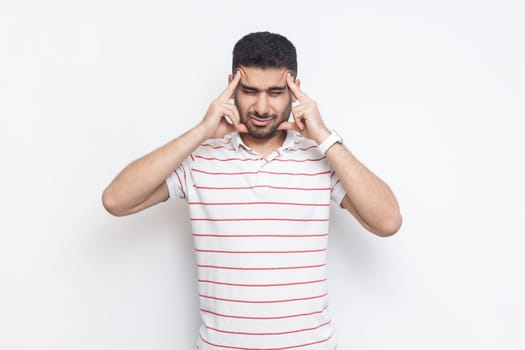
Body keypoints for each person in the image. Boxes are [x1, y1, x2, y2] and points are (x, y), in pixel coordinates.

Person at [102, 31, 402, 350]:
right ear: (231, 86)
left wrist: (324, 137)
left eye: (275, 92)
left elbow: (387, 221)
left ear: (295, 91)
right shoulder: (200, 160)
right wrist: (201, 132)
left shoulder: (321, 158)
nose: (261, 106)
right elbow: (116, 200)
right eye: (249, 91)